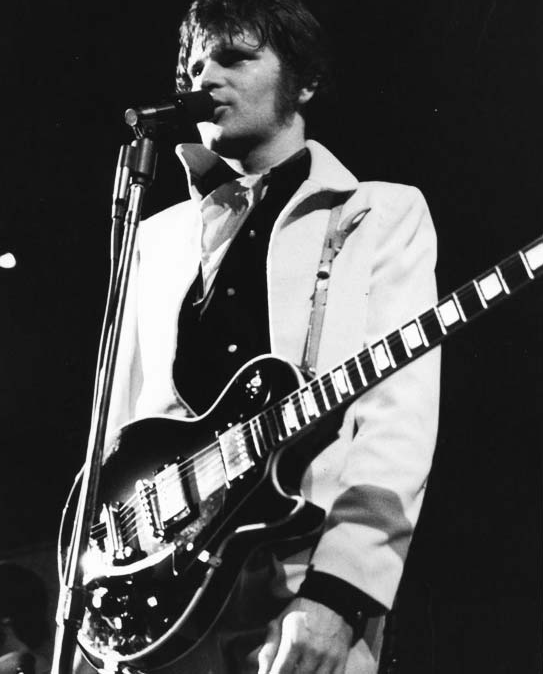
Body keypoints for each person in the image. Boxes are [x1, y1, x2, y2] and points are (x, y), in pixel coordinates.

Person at [106, 0, 440, 671]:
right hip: (164, 605)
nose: (204, 79)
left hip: (297, 594)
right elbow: (121, 430)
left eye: (234, 58)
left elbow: (397, 419)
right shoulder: (156, 237)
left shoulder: (379, 213)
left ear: (305, 82)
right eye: (195, 66)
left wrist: (339, 595)